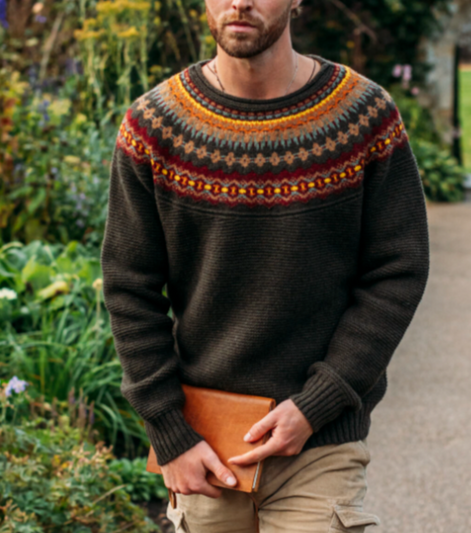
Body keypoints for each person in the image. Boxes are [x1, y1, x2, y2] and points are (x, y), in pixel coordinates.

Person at [100, 0, 431, 531]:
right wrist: (169, 433)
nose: (239, 2)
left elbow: (398, 269)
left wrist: (318, 403)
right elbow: (128, 286)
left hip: (320, 445)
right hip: (207, 446)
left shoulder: (364, 116)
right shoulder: (153, 126)